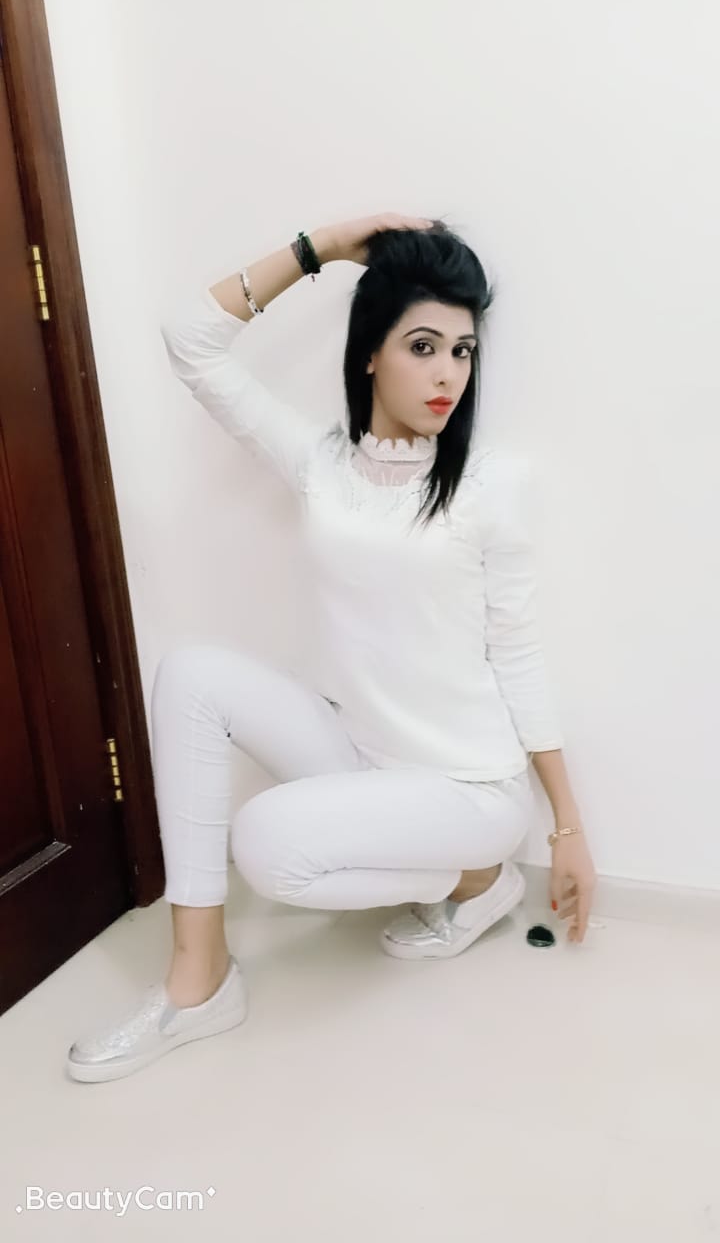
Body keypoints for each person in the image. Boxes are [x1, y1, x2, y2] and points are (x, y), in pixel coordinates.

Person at [66, 213, 596, 1084]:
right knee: (191, 674)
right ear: (369, 354)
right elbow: (189, 340)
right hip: (361, 752)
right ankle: (199, 983)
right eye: (423, 346)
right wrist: (324, 246)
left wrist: (566, 825)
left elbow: (519, 651)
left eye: (462, 351)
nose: (448, 374)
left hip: (469, 789)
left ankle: (475, 876)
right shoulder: (323, 465)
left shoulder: (491, 486)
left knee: (265, 841)